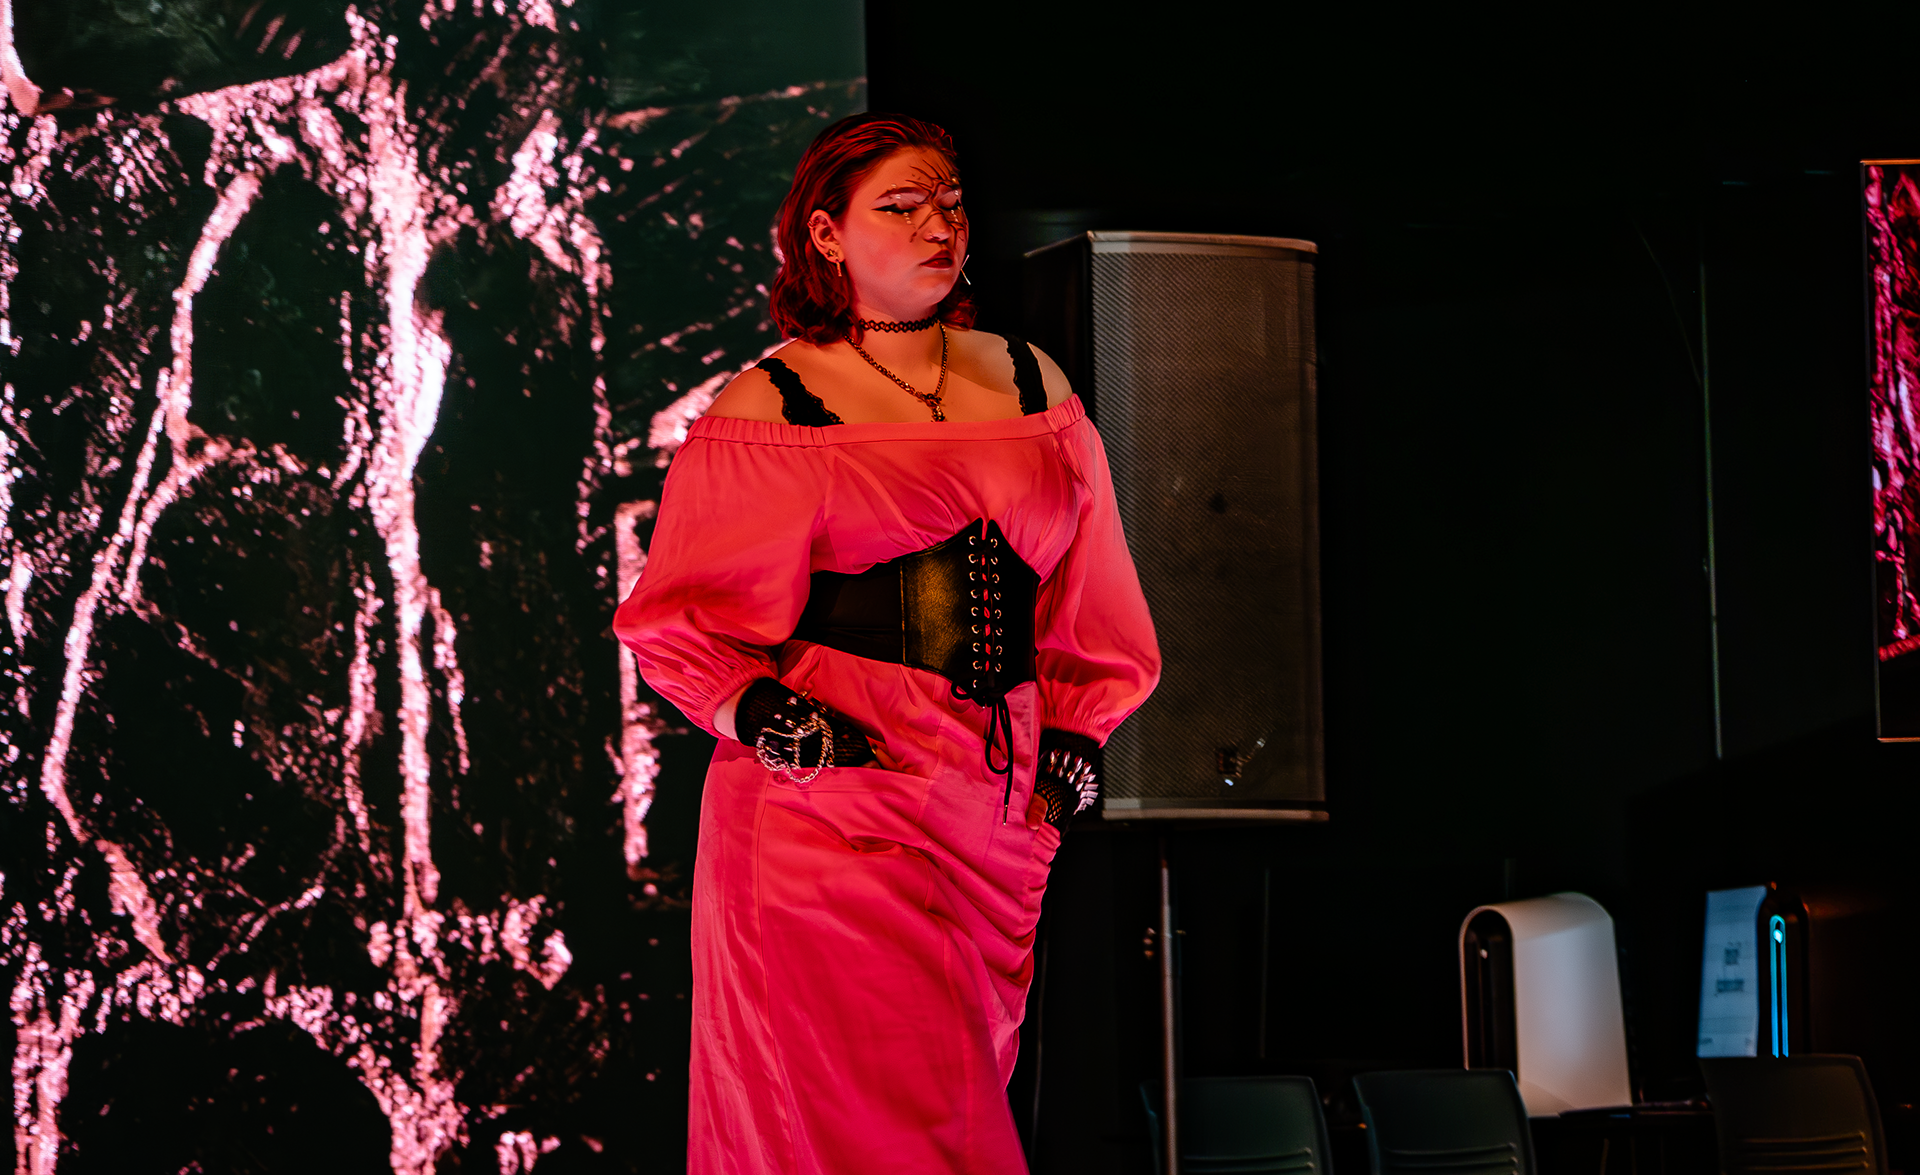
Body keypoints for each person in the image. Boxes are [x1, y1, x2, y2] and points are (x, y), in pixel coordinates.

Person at [613, 112, 1160, 1173]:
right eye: (901, 207)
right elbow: (681, 620)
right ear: (826, 235)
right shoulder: (776, 402)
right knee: (899, 1127)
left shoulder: (1034, 384)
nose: (938, 226)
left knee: (948, 1100)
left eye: (949, 202)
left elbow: (1091, 595)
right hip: (832, 802)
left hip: (993, 811)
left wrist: (1080, 733)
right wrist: (763, 711)